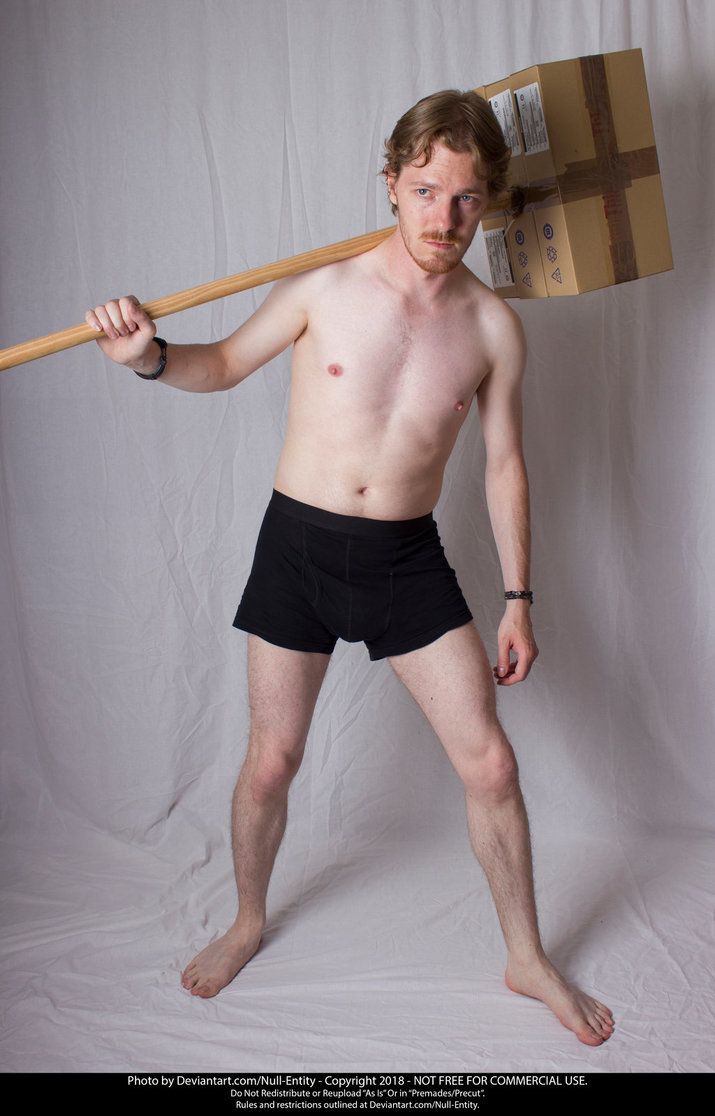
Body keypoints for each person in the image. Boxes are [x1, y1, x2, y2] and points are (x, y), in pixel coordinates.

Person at [85, 89, 614, 1045]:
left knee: (490, 763)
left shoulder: (494, 327)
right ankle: (247, 919)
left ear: (487, 202)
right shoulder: (321, 291)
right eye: (424, 192)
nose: (443, 219)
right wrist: (148, 356)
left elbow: (502, 465)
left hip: (405, 559)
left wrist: (519, 599)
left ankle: (524, 956)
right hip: (297, 546)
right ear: (391, 186)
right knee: (272, 760)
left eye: (464, 200)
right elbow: (222, 365)